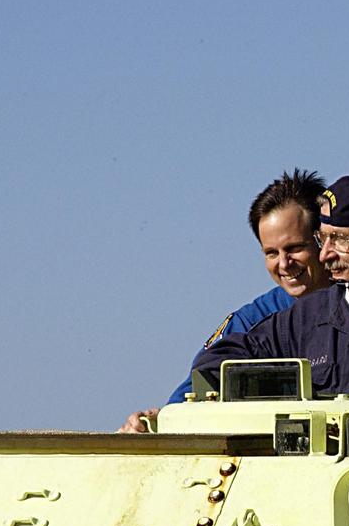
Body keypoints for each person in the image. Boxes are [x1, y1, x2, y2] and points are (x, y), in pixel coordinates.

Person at [191, 171, 349, 395]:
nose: (325, 255)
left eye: (341, 239)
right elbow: (213, 363)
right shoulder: (305, 317)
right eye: (323, 239)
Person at [119, 169, 330, 431]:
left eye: (295, 248)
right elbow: (196, 388)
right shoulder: (253, 321)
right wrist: (159, 420)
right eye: (271, 253)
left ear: (324, 238)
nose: (284, 264)